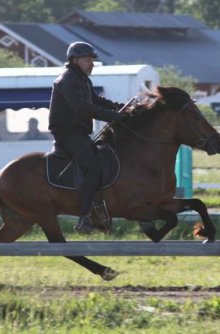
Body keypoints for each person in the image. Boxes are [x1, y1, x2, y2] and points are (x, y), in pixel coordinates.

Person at [48, 41, 127, 233]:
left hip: (79, 133)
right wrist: (112, 116)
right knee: (93, 166)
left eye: (92, 60)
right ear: (75, 60)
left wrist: (118, 107)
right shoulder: (68, 80)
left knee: (103, 158)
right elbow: (82, 107)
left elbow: (96, 100)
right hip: (67, 134)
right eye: (87, 60)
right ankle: (85, 217)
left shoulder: (82, 79)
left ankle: (100, 211)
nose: (91, 63)